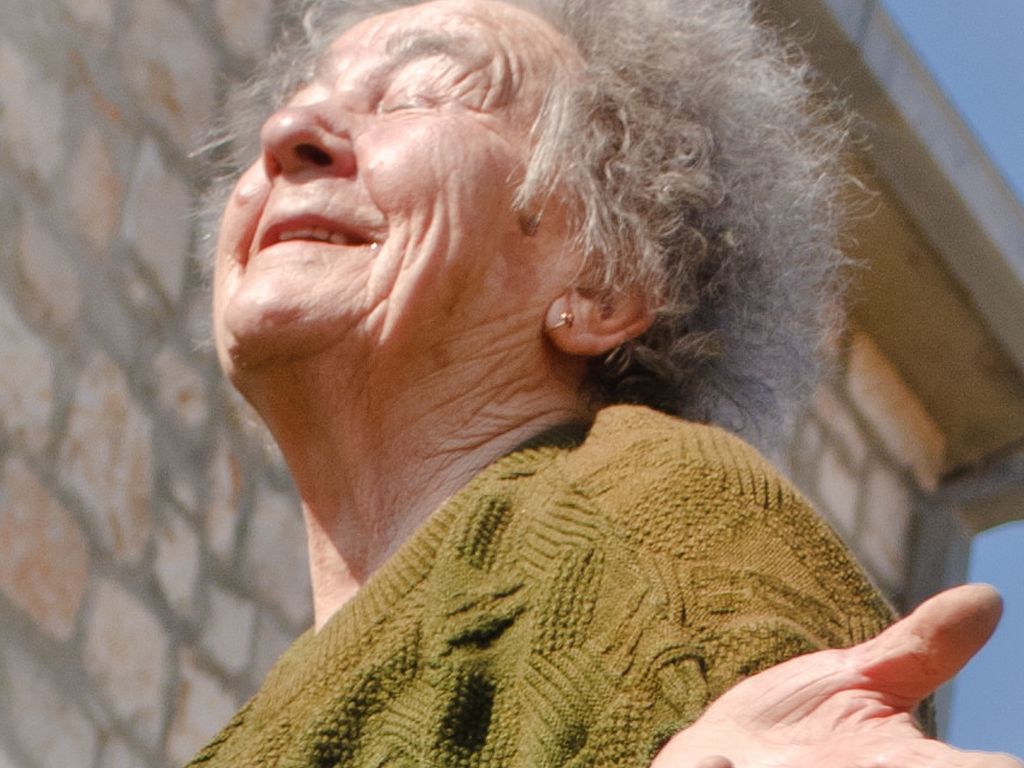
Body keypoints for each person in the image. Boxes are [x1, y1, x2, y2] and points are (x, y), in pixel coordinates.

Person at [188, 0, 1022, 766]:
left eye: (420, 93)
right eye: (300, 97)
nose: (289, 130)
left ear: (605, 286)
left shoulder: (654, 508)